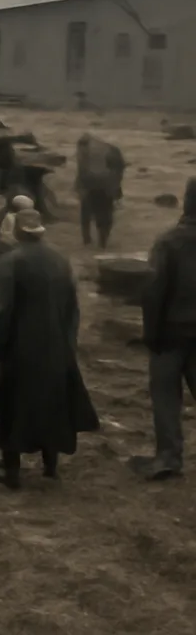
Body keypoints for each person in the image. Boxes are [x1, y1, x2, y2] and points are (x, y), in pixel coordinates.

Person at [0, 208, 99, 488]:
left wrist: (0, 347)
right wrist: (69, 343)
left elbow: (2, 312)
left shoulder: (10, 262)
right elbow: (73, 308)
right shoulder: (61, 260)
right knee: (53, 402)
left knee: (13, 404)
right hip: (57, 345)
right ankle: (50, 468)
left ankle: (11, 473)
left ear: (18, 233)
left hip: (22, 347)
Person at [131, 179, 196, 480]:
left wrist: (151, 334)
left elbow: (154, 291)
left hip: (171, 333)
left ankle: (169, 456)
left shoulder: (169, 241)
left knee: (166, 396)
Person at [75, 133, 125, 249]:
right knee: (105, 215)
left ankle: (87, 240)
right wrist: (116, 188)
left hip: (91, 186)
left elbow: (81, 171)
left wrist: (79, 187)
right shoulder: (112, 150)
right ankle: (102, 242)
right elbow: (119, 171)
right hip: (106, 187)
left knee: (87, 214)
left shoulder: (85, 151)